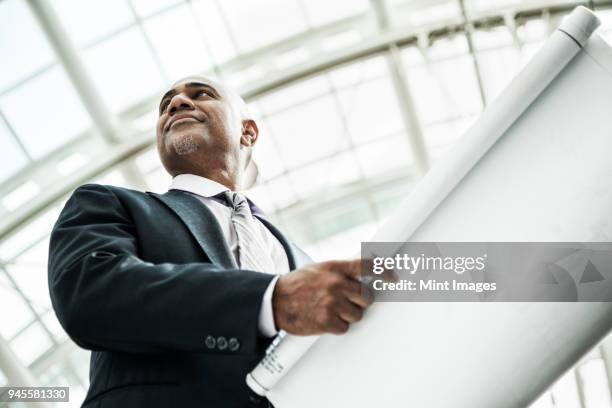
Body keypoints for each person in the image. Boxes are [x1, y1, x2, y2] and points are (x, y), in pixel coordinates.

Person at [48, 76, 375, 407]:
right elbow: (90, 293)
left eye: (201, 94)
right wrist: (270, 301)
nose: (176, 104)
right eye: (166, 105)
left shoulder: (304, 264)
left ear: (247, 132)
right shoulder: (109, 204)